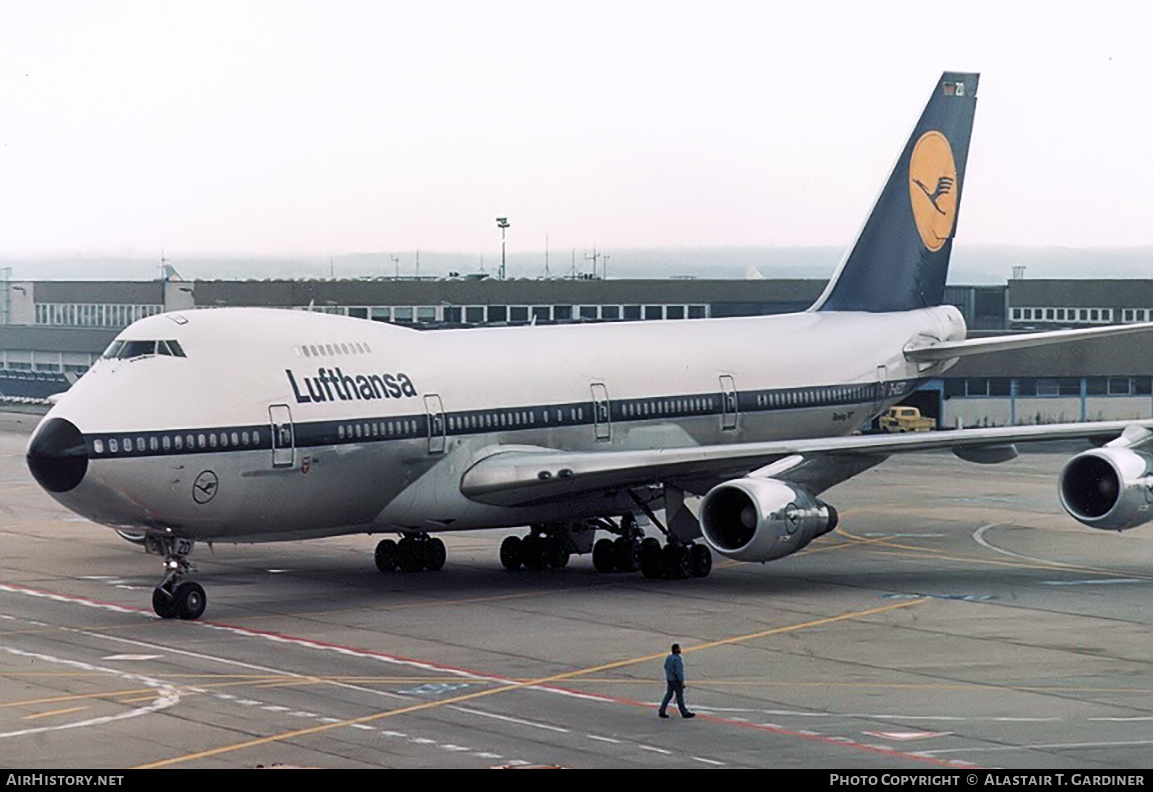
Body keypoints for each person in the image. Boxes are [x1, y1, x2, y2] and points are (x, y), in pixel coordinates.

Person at [658, 643, 695, 719]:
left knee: (669, 694)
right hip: (676, 680)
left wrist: (669, 675)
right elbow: (679, 672)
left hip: (670, 679)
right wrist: (681, 681)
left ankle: (662, 710)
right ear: (676, 650)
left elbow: (665, 666)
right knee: (679, 695)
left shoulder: (669, 657)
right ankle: (684, 712)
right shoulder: (677, 659)